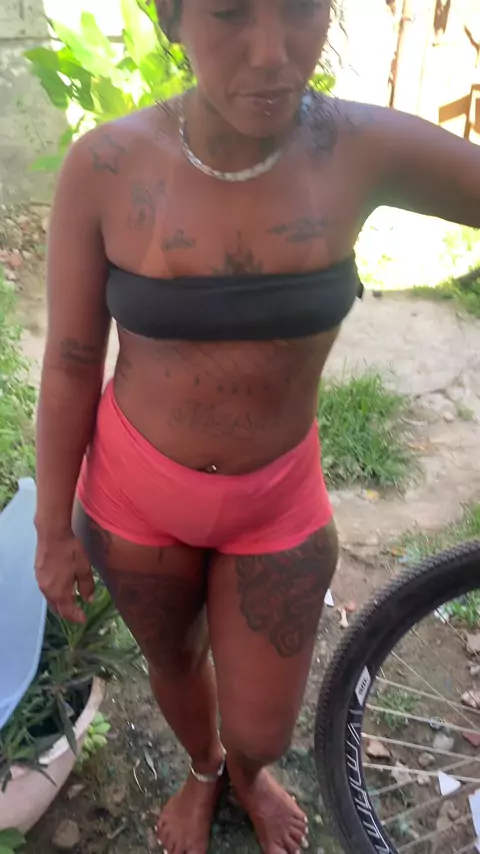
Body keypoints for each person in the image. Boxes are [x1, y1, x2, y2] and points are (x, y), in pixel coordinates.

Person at [34, 1, 480, 852]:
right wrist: (52, 529)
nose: (272, 52)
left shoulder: (359, 148)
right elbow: (71, 361)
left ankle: (247, 767)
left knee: (265, 726)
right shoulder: (108, 165)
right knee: (173, 659)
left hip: (276, 499)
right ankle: (206, 770)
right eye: (233, 12)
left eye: (301, 8)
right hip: (133, 496)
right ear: (173, 18)